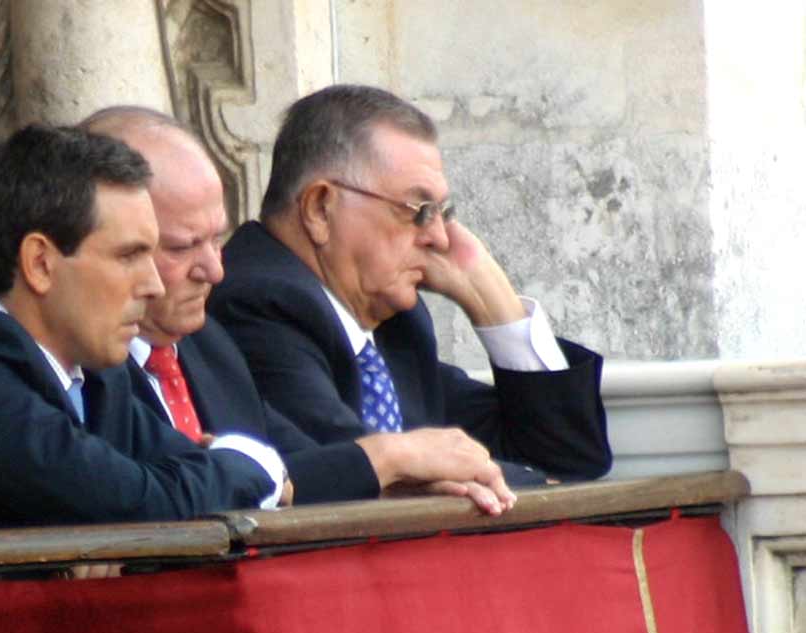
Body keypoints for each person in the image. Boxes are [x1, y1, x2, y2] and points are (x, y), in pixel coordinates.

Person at [0, 124, 289, 536]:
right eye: (129, 256)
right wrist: (256, 466)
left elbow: (165, 487)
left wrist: (222, 475)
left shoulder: (93, 367)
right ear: (40, 263)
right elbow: (143, 507)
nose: (151, 284)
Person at [82, 106, 515, 514]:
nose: (215, 271)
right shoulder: (83, 363)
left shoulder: (205, 344)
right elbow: (168, 488)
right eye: (182, 246)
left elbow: (296, 468)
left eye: (216, 239)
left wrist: (502, 308)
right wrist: (388, 459)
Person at [207, 85, 612, 482]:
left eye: (443, 211)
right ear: (319, 208)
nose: (440, 237)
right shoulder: (257, 303)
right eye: (418, 210)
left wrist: (492, 298)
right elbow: (358, 468)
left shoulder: (393, 324)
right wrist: (526, 481)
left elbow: (569, 459)